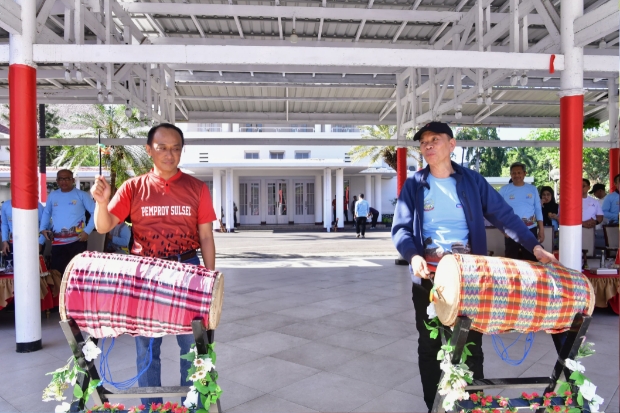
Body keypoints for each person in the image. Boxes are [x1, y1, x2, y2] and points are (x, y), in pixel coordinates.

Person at [391, 122, 556, 413]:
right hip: (428, 279)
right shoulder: (414, 184)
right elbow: (402, 229)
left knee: (470, 346)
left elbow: (504, 216)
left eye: (435, 140)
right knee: (430, 346)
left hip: (469, 279)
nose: (428, 145)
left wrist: (535, 247)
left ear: (451, 145)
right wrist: (413, 255)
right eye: (424, 142)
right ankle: (435, 405)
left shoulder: (472, 181)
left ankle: (471, 405)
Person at [90, 123, 217, 405]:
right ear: (149, 150)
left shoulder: (197, 188)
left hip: (187, 272)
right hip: (145, 274)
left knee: (192, 348)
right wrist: (102, 202)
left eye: (175, 148)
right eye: (162, 148)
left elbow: (206, 236)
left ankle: (191, 405)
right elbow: (103, 227)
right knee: (147, 348)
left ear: (181, 151)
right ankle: (152, 407)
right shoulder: (134, 187)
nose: (169, 154)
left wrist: (210, 281)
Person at [40, 169, 96, 275]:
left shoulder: (82, 195)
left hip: (77, 241)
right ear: (57, 180)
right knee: (57, 273)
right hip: (57, 242)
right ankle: (59, 292)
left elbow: (95, 212)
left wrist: (87, 231)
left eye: (67, 178)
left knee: (77, 273)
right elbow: (47, 213)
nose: (63, 181)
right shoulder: (52, 195)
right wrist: (42, 229)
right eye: (61, 179)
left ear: (73, 180)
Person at [498, 162, 545, 261]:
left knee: (531, 258)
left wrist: (541, 229)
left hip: (530, 229)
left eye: (519, 173)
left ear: (524, 174)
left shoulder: (532, 189)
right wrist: (502, 230)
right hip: (511, 230)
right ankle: (511, 277)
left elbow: (538, 209)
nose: (516, 175)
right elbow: (498, 211)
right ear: (511, 174)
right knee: (511, 259)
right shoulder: (504, 190)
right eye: (514, 173)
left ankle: (532, 277)